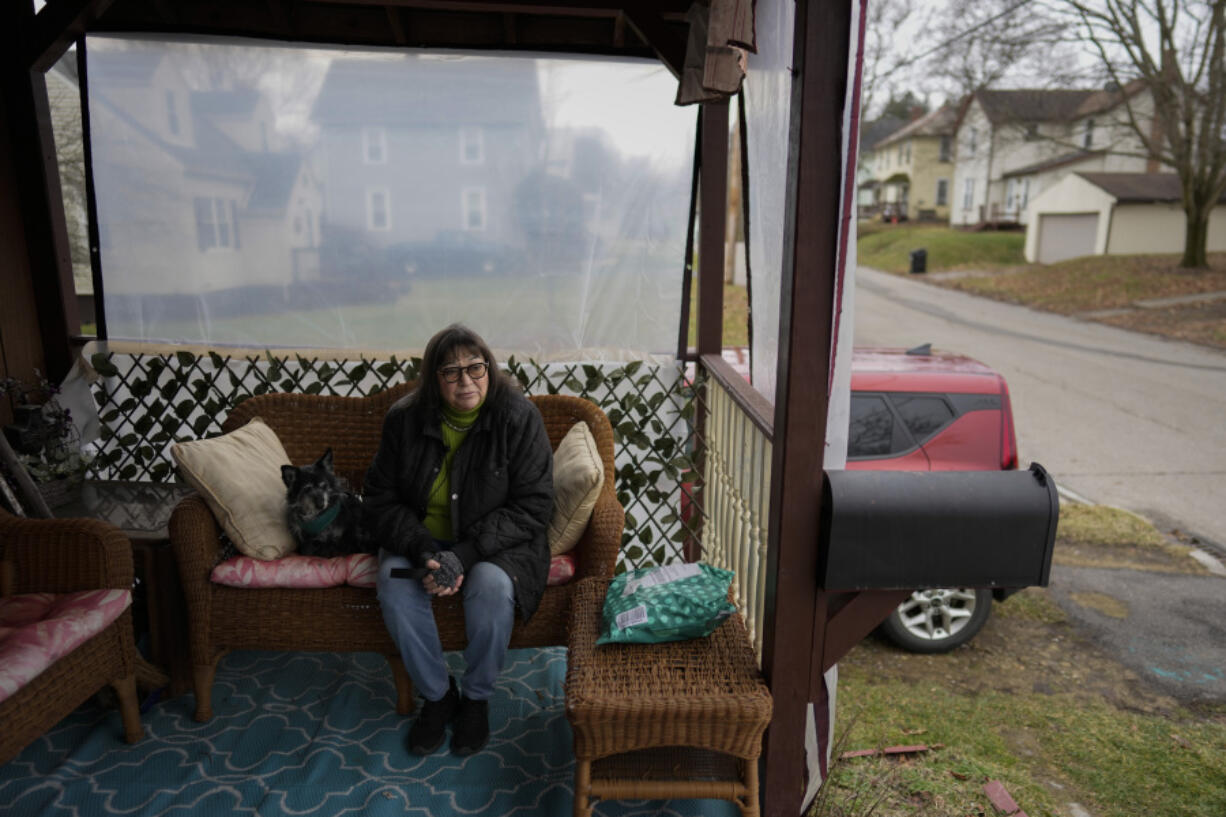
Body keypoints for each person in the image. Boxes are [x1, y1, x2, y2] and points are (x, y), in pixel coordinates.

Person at [364, 324, 554, 756]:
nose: (466, 380)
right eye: (451, 372)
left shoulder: (518, 417)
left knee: (492, 588)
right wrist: (425, 552)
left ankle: (476, 698)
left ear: (489, 368)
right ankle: (438, 695)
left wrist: (463, 557)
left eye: (475, 367)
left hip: (494, 549)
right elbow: (379, 499)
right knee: (395, 583)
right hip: (420, 546)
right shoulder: (404, 420)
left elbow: (535, 504)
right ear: (434, 379)